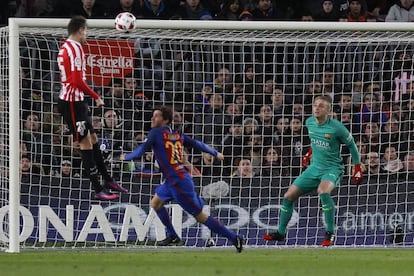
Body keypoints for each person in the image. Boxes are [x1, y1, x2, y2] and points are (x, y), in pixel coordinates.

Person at [120, 106, 243, 252]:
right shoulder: (178, 135)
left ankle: (234, 238)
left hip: (178, 182)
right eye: (153, 116)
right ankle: (173, 235)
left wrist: (126, 157)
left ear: (165, 120)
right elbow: (198, 144)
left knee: (200, 217)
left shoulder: (155, 133)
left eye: (157, 116)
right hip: (173, 180)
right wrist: (215, 152)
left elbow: (142, 150)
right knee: (155, 203)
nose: (153, 118)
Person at [263, 95, 363, 246]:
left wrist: (357, 168)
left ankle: (330, 233)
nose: (317, 108)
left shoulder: (337, 127)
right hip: (314, 168)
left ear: (328, 110)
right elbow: (315, 141)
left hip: (332, 168)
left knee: (323, 191)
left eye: (321, 106)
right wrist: (309, 154)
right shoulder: (309, 122)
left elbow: (352, 146)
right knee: (288, 196)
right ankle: (281, 233)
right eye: (315, 105)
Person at [57, 16, 127, 200]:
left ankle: (107, 179)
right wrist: (96, 96)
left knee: (93, 138)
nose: (86, 34)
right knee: (84, 143)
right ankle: (98, 189)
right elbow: (76, 80)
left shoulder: (66, 47)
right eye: (86, 30)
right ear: (80, 29)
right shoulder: (75, 48)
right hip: (71, 104)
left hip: (77, 102)